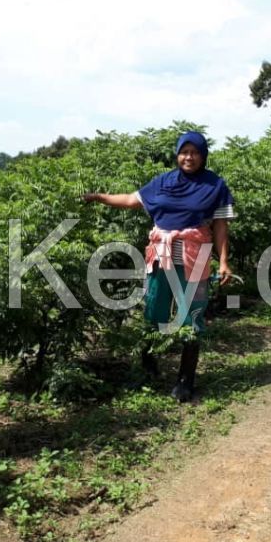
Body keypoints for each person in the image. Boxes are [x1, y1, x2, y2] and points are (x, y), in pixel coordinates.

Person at [82, 130, 235, 401]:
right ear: (177, 154)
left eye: (195, 152)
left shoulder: (215, 185)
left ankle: (186, 380)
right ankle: (149, 367)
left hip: (194, 255)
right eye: (184, 152)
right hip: (160, 255)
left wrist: (224, 261)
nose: (189, 157)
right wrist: (99, 197)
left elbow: (221, 226)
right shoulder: (163, 182)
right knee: (154, 309)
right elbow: (131, 199)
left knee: (192, 316)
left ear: (203, 155)